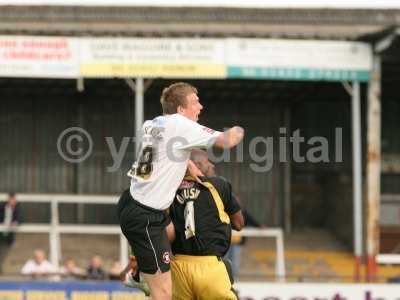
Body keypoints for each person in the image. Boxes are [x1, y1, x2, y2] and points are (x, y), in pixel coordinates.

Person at [118, 82, 244, 300]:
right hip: (146, 217)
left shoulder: (153, 123)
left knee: (172, 232)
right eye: (195, 102)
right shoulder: (181, 125)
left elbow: (164, 150)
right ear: (180, 109)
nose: (201, 106)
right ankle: (141, 275)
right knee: (164, 294)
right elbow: (227, 140)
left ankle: (139, 271)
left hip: (135, 204)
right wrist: (240, 129)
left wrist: (187, 163)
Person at [169, 149, 244, 300]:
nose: (212, 164)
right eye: (208, 161)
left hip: (178, 268)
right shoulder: (218, 185)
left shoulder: (169, 189)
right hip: (209, 267)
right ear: (195, 165)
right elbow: (239, 223)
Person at [0, 192, 21, 273]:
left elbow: (20, 219)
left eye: (13, 200)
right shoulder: (1, 207)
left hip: (10, 234)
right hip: (1, 232)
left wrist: (15, 222)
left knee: (5, 252)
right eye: (11, 199)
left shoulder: (18, 208)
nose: (12, 201)